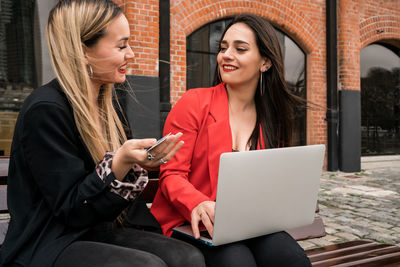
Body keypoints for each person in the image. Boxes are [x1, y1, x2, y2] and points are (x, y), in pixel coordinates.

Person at [0, 0, 206, 266]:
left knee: (188, 256)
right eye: (121, 46)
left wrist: (137, 163)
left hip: (100, 228)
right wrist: (119, 164)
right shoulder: (45, 110)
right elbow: (71, 211)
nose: (131, 54)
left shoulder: (109, 104)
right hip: (51, 239)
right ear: (83, 50)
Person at [150, 13, 312, 267]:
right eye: (223, 47)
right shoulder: (194, 103)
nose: (226, 55)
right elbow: (171, 174)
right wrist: (198, 202)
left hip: (246, 224)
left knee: (291, 258)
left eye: (240, 49)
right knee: (237, 261)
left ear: (265, 62)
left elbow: (267, 185)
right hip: (190, 223)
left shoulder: (271, 119)